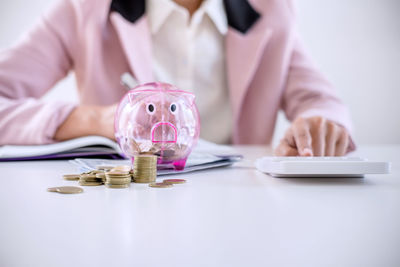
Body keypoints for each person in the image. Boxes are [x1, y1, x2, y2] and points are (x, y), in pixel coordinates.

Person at [0, 0, 355, 156]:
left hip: (240, 205)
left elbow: (321, 102)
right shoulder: (82, 10)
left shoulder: (271, 11)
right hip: (119, 205)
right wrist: (96, 119)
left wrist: (316, 127)